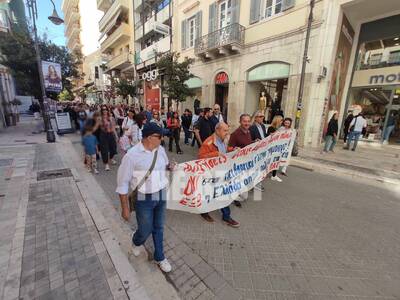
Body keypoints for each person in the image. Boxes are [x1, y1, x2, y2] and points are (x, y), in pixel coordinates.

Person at [116, 123, 173, 273]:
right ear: (149, 138)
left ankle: (160, 257)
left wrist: (170, 166)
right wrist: (125, 209)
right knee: (145, 229)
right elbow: (122, 184)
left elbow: (165, 165)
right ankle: (136, 240)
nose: (162, 139)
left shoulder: (160, 150)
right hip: (143, 198)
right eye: (160, 136)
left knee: (159, 227)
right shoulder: (131, 156)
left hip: (161, 193)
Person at [198, 122, 240, 227]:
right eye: (225, 130)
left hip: (221, 172)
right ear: (217, 130)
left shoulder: (224, 141)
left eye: (227, 130)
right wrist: (215, 154)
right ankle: (204, 212)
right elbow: (200, 158)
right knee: (211, 194)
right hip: (211, 174)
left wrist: (232, 150)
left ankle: (226, 216)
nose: (227, 133)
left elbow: (224, 151)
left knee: (222, 193)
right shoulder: (208, 142)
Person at [228, 114, 253, 207]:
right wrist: (234, 149)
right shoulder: (235, 134)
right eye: (244, 121)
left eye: (248, 121)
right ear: (240, 122)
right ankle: (233, 197)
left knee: (244, 194)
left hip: (246, 162)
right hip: (237, 163)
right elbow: (229, 148)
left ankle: (236, 194)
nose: (246, 123)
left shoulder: (248, 132)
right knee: (237, 182)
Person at [249, 111, 267, 192]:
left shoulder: (263, 126)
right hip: (255, 151)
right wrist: (254, 141)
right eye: (260, 116)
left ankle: (257, 183)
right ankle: (254, 184)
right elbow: (249, 140)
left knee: (260, 168)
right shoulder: (251, 127)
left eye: (263, 116)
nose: (262, 118)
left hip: (263, 150)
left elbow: (264, 136)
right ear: (255, 118)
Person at [267, 115, 284, 182]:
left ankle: (274, 175)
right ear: (277, 120)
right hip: (272, 148)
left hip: (277, 148)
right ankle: (273, 175)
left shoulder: (279, 128)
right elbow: (270, 137)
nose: (282, 122)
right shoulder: (271, 128)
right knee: (273, 161)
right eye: (281, 120)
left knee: (276, 161)